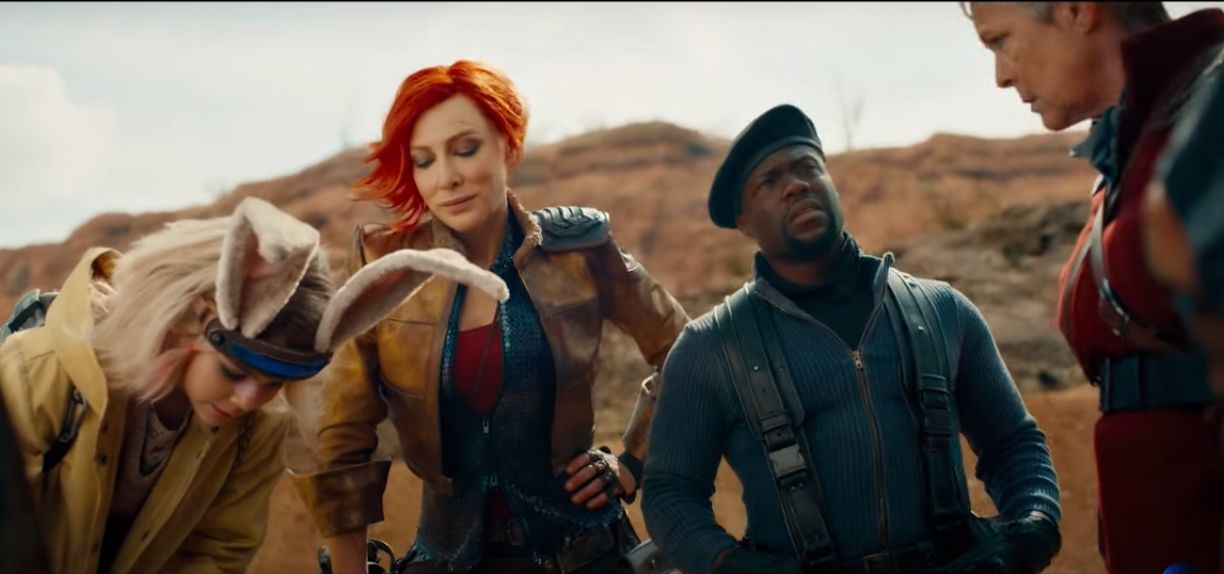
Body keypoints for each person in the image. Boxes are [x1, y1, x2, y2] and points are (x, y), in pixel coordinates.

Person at [289, 59, 691, 574]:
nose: (447, 177)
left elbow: (688, 349)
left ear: (508, 145)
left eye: (465, 149)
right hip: (445, 558)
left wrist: (632, 461)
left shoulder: (578, 247)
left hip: (587, 555)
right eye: (424, 161)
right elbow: (344, 437)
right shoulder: (387, 266)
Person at [641, 103, 1062, 574]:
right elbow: (671, 493)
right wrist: (732, 565)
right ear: (743, 222)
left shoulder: (943, 310)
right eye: (769, 181)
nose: (796, 185)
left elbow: (1013, 441)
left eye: (808, 167)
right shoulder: (709, 348)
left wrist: (1035, 523)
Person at [0, 196, 504, 573]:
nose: (249, 400)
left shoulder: (253, 434)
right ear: (187, 320)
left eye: (272, 385)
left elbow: (218, 551)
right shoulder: (39, 373)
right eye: (234, 373)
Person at [962, 2, 1224, 572]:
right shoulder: (1134, 144)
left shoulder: (1212, 111)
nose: (1001, 75)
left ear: (1078, 10)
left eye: (1001, 41)